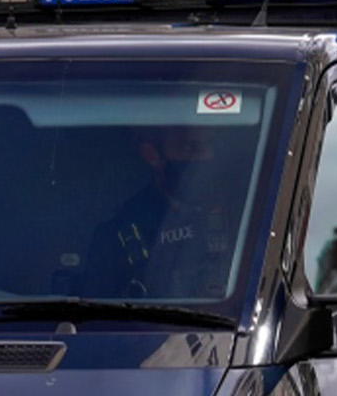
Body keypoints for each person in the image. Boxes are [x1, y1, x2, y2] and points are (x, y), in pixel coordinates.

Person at [82, 127, 237, 298]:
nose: (205, 156)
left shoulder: (245, 215)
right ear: (152, 155)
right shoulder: (116, 235)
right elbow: (98, 317)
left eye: (210, 145)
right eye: (190, 148)